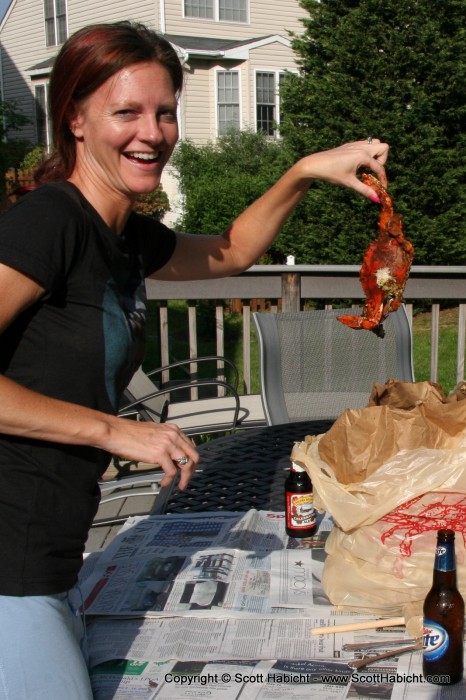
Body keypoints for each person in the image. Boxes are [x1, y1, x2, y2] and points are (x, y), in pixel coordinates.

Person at [0, 20, 389, 699]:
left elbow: (232, 251)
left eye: (164, 111)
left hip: (53, 554)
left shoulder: (119, 236)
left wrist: (302, 171)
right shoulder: (50, 222)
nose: (152, 132)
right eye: (126, 111)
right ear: (76, 119)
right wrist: (114, 429)